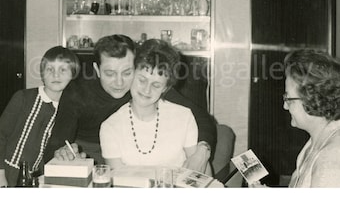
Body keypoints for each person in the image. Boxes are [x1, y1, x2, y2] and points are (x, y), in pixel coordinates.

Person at [45, 34, 216, 173]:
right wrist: (65, 153)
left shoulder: (146, 86)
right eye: (110, 73)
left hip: (128, 153)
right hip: (88, 153)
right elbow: (56, 144)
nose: (119, 82)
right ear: (97, 70)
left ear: (137, 67)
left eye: (127, 72)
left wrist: (202, 152)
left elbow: (201, 119)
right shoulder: (77, 92)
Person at [100, 39, 199, 171]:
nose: (147, 90)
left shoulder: (184, 117)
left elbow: (202, 172)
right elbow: (117, 181)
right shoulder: (110, 127)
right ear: (132, 74)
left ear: (165, 88)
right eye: (142, 80)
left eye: (156, 85)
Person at [252, 49, 340, 188]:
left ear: (311, 99)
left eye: (289, 99)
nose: (285, 106)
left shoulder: (330, 159)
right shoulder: (316, 140)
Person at [0, 46, 80, 187]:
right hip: (6, 173)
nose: (56, 75)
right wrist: (0, 175)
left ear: (73, 74)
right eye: (50, 69)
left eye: (63, 70)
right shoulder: (23, 98)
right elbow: (1, 135)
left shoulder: (70, 110)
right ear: (42, 74)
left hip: (37, 179)